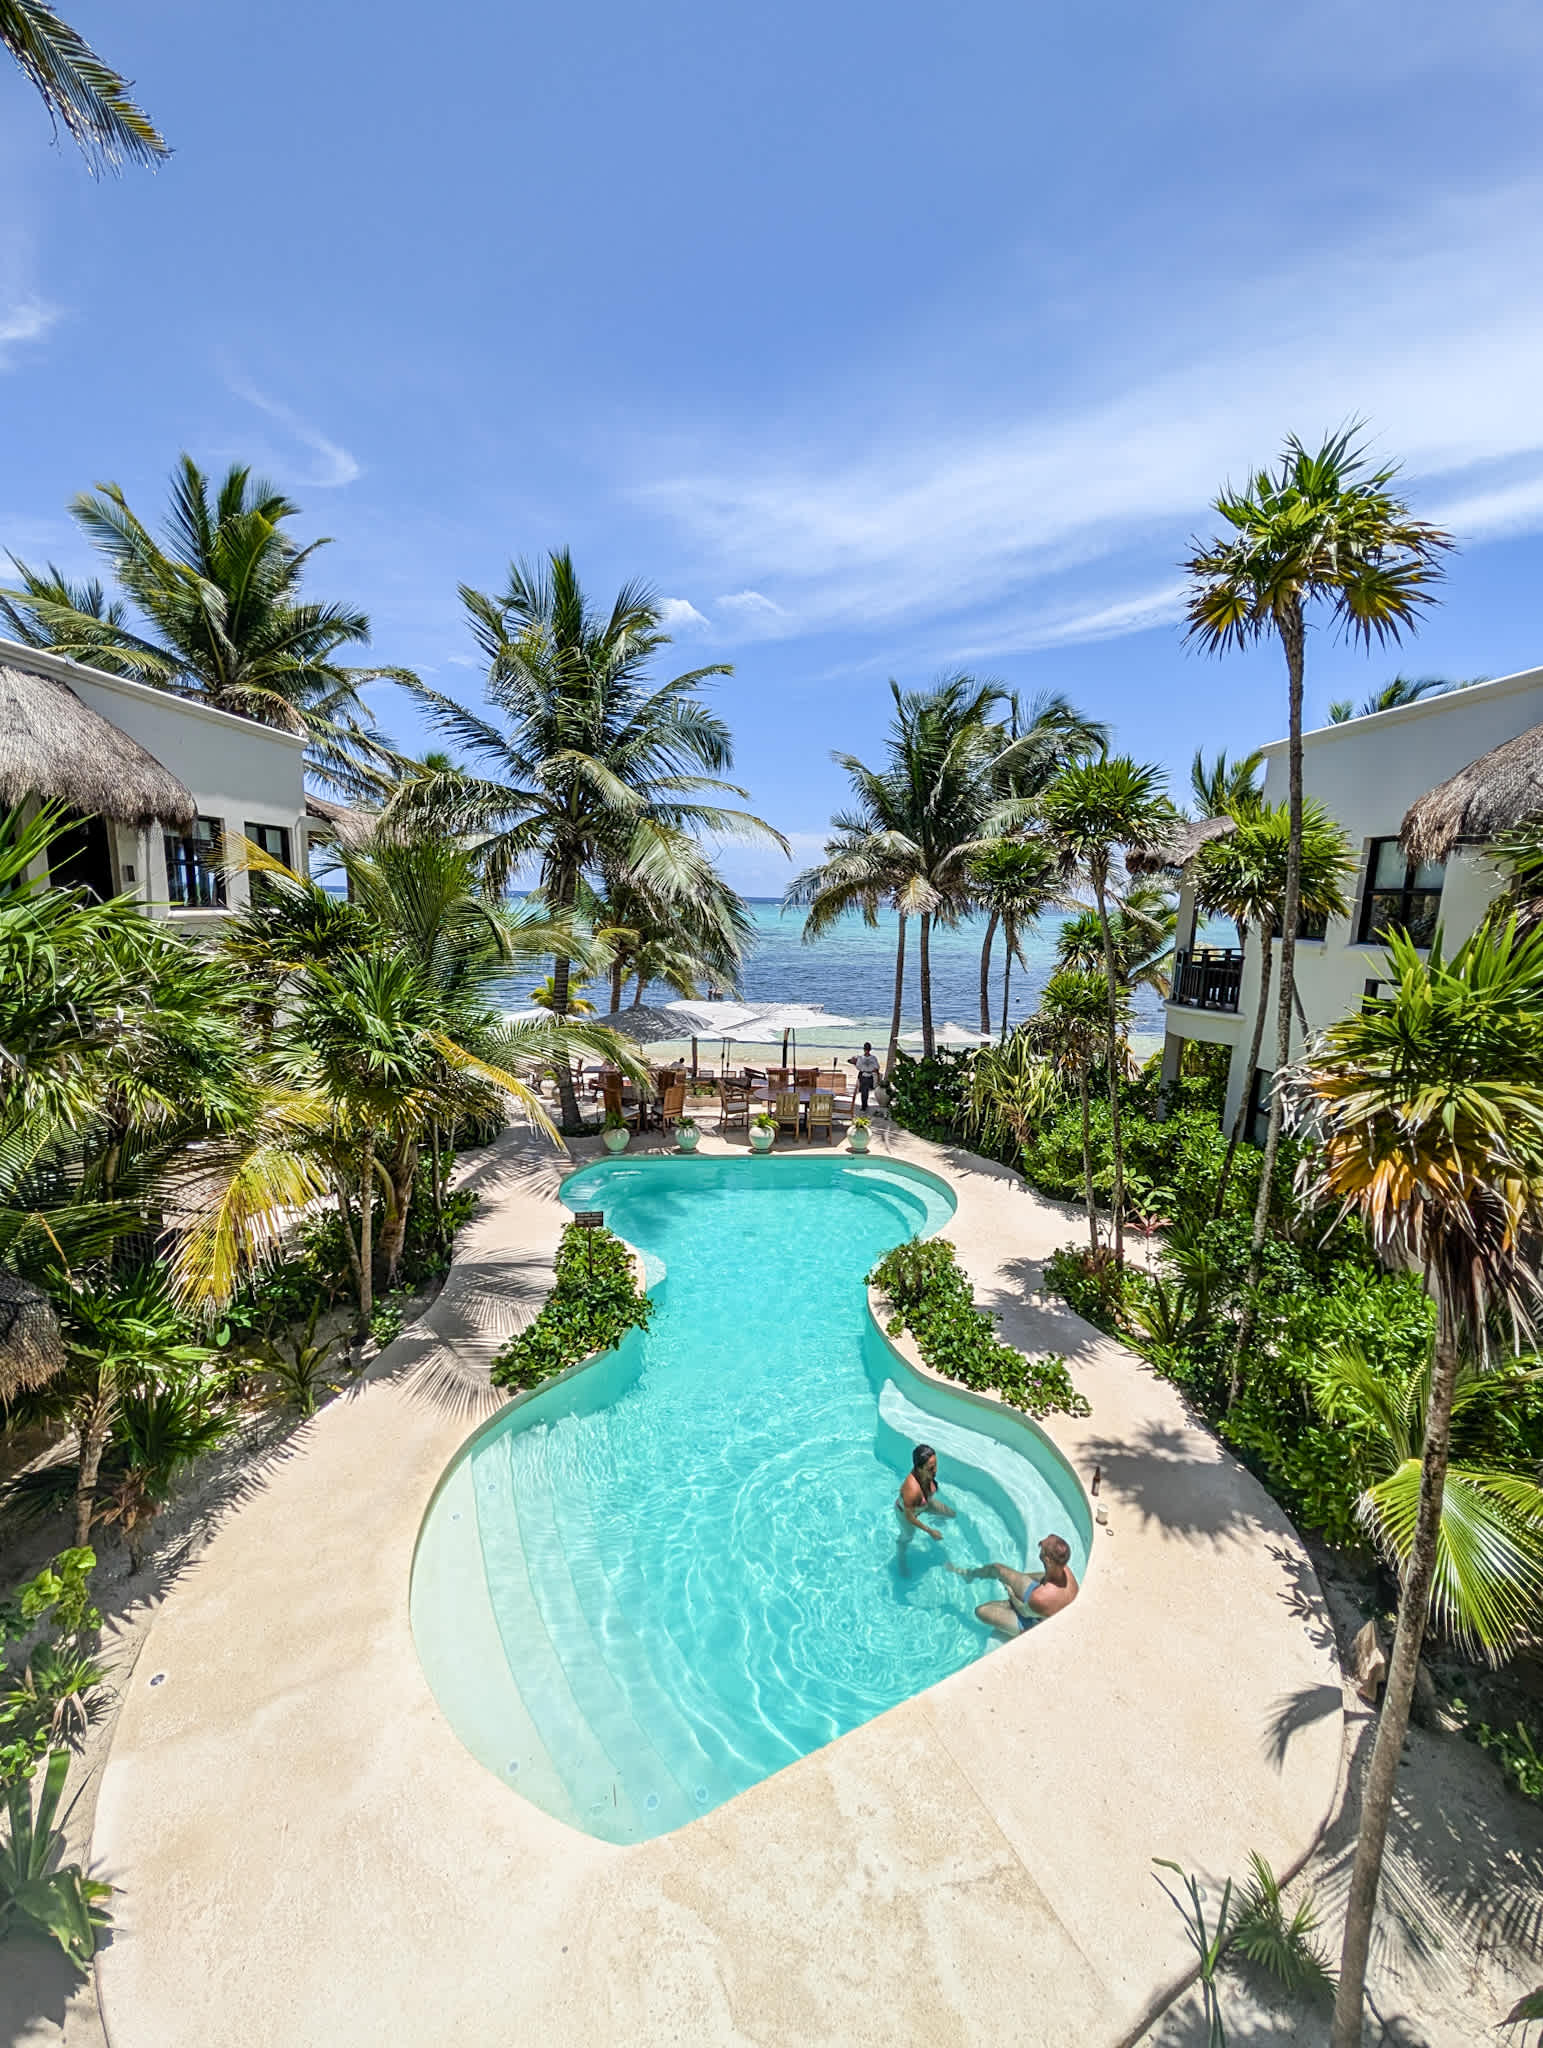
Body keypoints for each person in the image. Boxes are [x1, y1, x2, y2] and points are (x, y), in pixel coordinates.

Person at [950, 1534, 1078, 1635]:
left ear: (1047, 1560)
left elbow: (1024, 1611)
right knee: (997, 1569)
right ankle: (970, 1575)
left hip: (1034, 1622)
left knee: (980, 1611)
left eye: (1042, 1547)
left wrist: (1011, 1591)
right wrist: (1020, 1578)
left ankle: (1011, 1613)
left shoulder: (1040, 1597)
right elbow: (1043, 1576)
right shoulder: (1065, 1569)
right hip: (1039, 1605)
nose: (1040, 1544)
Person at [895, 1443, 954, 1572]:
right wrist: (930, 1531)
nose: (936, 1470)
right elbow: (909, 1517)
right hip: (906, 1514)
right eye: (931, 1468)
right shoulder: (911, 1489)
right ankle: (901, 1559)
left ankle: (937, 1519)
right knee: (907, 1538)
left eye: (936, 1465)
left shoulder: (925, 1474)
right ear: (919, 1468)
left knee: (950, 1513)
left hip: (924, 1504)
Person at [848, 1041, 881, 1111]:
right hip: (868, 1075)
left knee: (864, 1091)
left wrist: (854, 1062)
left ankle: (864, 1106)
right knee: (865, 1091)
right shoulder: (873, 1058)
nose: (866, 1050)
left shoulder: (861, 1058)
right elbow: (877, 1068)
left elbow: (857, 1066)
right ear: (870, 1049)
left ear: (864, 1049)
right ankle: (864, 1105)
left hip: (864, 1075)